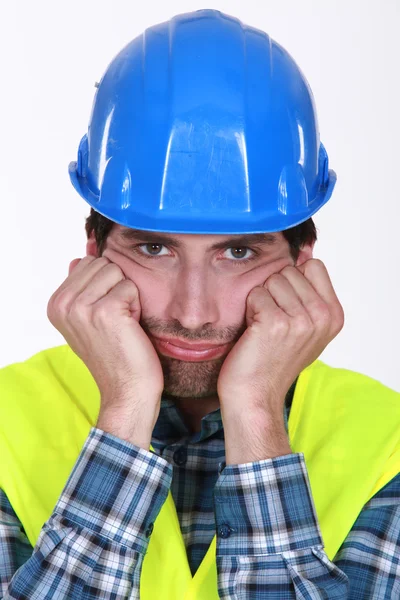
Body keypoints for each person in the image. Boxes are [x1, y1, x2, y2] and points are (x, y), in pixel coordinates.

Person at [0, 9, 399, 600]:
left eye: (238, 252)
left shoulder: (387, 446)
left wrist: (258, 413)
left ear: (303, 259)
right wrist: (126, 410)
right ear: (95, 249)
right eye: (154, 247)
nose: (192, 312)